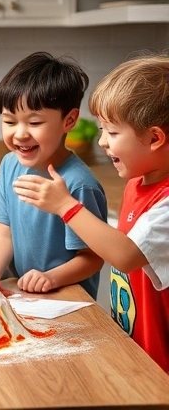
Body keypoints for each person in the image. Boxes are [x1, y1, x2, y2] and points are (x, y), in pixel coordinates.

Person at [12, 55, 169, 373]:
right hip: (135, 347)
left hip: (161, 362)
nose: (101, 141)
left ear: (154, 138)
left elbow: (125, 255)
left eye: (112, 133)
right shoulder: (138, 182)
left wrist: (65, 206)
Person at [0, 51, 107, 298]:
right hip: (26, 295)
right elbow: (4, 233)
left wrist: (50, 278)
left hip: (69, 301)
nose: (20, 134)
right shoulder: (10, 165)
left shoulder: (78, 184)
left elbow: (93, 258)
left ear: (69, 120)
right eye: (10, 122)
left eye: (34, 123)